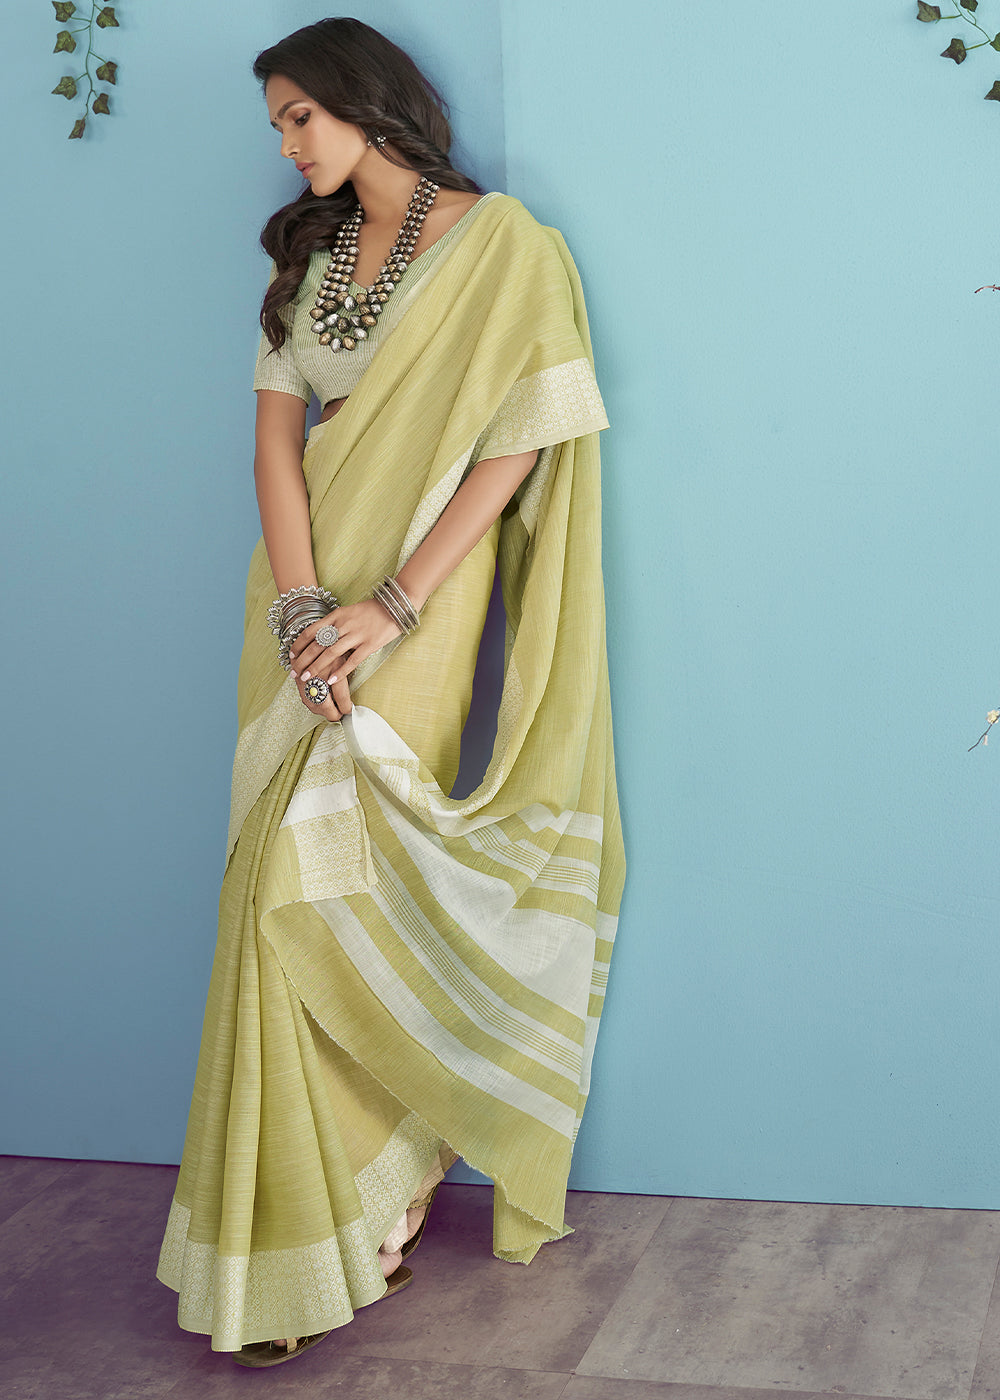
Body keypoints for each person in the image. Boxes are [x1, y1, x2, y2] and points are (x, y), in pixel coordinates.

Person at [156, 16, 624, 1368]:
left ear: (366, 102)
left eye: (300, 115)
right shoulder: (308, 263)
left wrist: (392, 607)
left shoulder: (504, 246)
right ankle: (312, 1234)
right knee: (268, 898)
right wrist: (305, 606)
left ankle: (386, 1184)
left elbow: (520, 442)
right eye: (275, 125)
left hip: (415, 611)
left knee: (354, 891)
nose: (286, 144)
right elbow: (275, 445)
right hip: (299, 611)